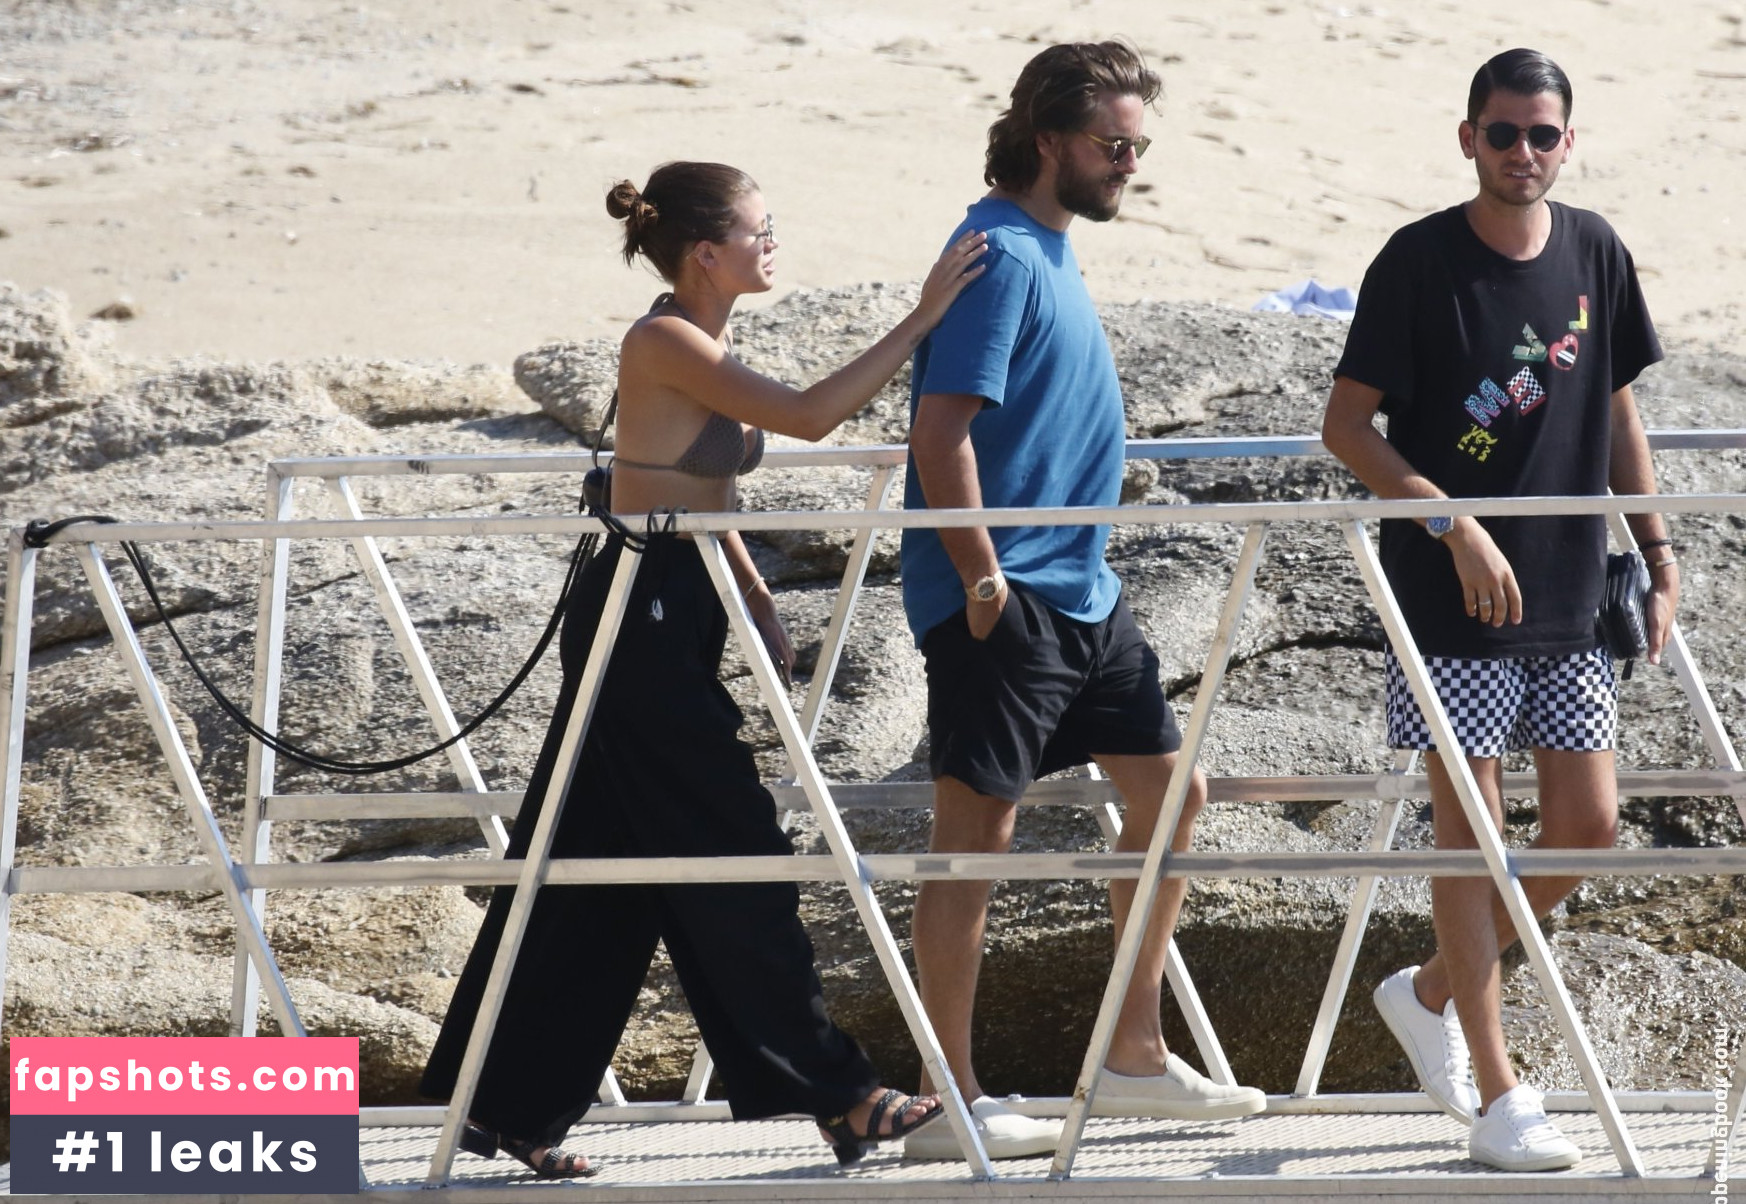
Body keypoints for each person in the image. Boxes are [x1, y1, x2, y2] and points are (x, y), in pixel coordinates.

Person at [420, 161, 988, 1178]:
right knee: (734, 850)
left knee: (595, 866)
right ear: (705, 252)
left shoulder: (706, 339)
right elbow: (809, 417)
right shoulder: (664, 340)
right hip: (636, 610)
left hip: (680, 601)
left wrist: (753, 592)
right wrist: (922, 317)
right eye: (760, 230)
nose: (774, 242)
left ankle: (506, 1106)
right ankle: (844, 1094)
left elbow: (695, 490)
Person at [898, 41, 1267, 1162]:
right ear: (1049, 137)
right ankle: (946, 1097)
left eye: (1139, 146)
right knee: (976, 837)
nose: (1130, 164)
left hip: (1087, 593)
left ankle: (1133, 1058)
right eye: (1114, 145)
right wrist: (980, 580)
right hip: (1005, 595)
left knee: (1173, 795)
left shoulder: (1047, 247)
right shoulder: (1001, 255)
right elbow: (941, 433)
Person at [1320, 48, 1678, 1172]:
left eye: (1543, 134)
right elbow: (1346, 428)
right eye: (1504, 132)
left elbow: (1617, 409)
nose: (1524, 152)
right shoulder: (1417, 260)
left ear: (1570, 142)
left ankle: (1430, 989)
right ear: (1468, 136)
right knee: (1469, 840)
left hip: (1571, 594)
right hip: (1451, 597)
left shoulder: (1595, 250)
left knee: (1587, 833)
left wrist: (1658, 550)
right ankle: (1500, 1090)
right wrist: (1451, 521)